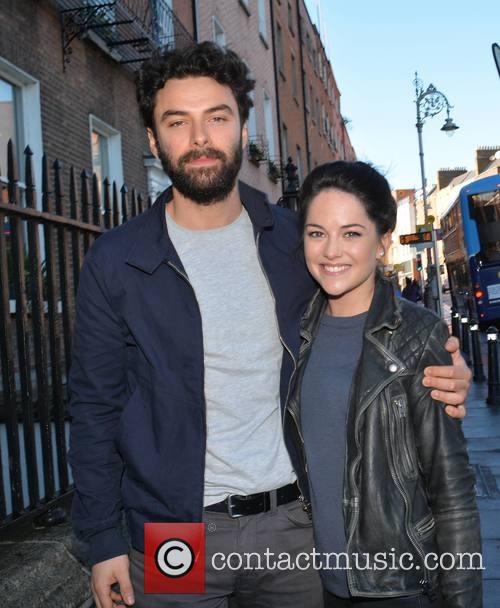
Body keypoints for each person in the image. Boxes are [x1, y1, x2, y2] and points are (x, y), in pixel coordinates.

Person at [68, 43, 472, 608]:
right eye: (177, 122)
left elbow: (376, 323)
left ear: (240, 126)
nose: (200, 138)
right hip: (172, 533)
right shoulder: (117, 261)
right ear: (154, 139)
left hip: (295, 529)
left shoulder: (295, 242)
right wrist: (103, 539)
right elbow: (93, 406)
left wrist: (445, 366)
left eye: (217, 117)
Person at [287, 161, 482, 607]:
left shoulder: (419, 335)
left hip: (399, 588)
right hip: (321, 585)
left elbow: (452, 493)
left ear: (382, 242)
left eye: (352, 233)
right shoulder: (301, 330)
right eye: (317, 233)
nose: (331, 250)